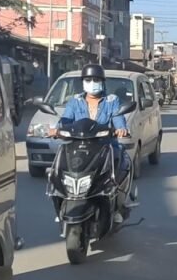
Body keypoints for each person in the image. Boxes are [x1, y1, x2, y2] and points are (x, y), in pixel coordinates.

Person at [50, 63, 135, 222]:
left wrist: (121, 129)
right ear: (83, 82)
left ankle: (118, 205)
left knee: (121, 165)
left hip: (105, 146)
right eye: (88, 80)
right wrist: (57, 130)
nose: (92, 83)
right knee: (56, 172)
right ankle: (60, 204)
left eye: (96, 79)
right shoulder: (75, 101)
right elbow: (65, 120)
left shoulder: (112, 101)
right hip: (78, 147)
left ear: (102, 82)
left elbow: (118, 119)